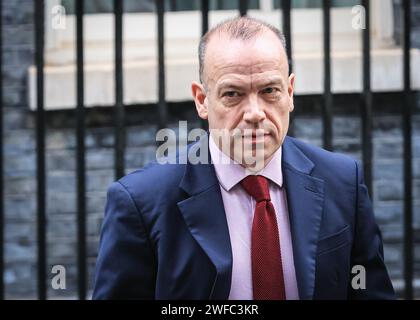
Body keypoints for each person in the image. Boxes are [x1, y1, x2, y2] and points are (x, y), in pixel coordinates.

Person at [92, 16, 395, 300]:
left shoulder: (343, 182)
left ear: (289, 92)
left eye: (269, 90)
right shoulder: (142, 202)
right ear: (202, 100)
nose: (254, 113)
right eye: (233, 94)